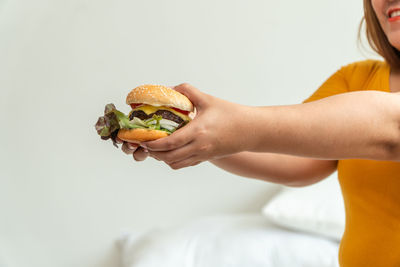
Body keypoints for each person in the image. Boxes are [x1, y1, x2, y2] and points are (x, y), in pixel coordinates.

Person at [118, 0, 400, 266]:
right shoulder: (356, 80)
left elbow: (389, 126)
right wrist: (195, 134)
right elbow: (293, 161)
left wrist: (235, 124)